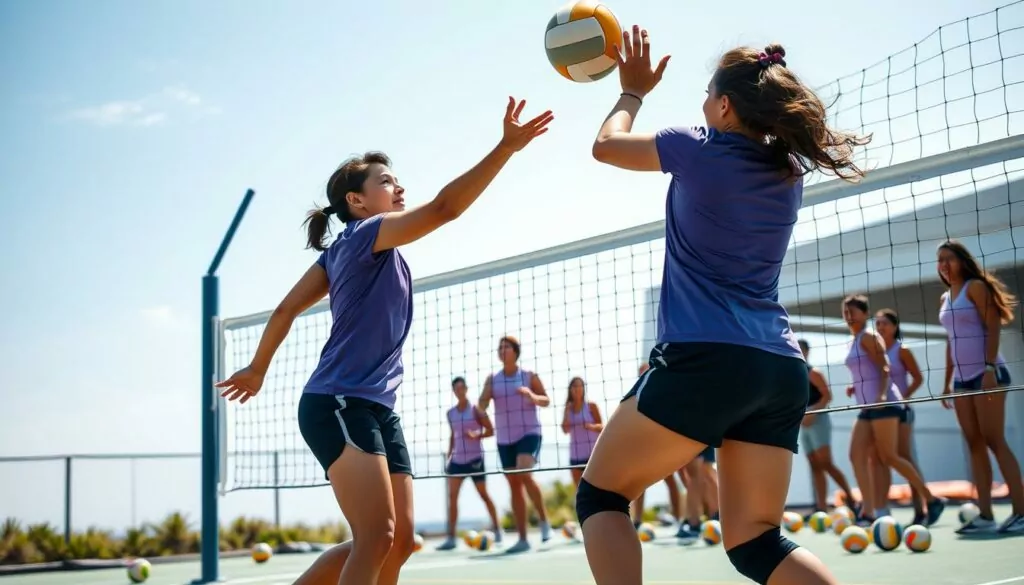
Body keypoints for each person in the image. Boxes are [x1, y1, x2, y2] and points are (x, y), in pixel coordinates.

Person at [215, 97, 553, 585]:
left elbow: (288, 308)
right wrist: (505, 147)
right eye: (386, 182)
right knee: (376, 537)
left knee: (399, 540)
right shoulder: (364, 235)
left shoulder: (347, 251)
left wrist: (259, 367)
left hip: (376, 407)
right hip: (339, 401)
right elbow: (445, 208)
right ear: (357, 201)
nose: (398, 187)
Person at [576, 26, 871, 585]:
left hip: (707, 358)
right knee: (756, 542)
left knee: (601, 496)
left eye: (708, 95)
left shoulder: (695, 147)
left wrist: (632, 92)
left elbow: (605, 145)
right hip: (780, 368)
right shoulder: (787, 173)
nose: (702, 104)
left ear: (727, 105)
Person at [937, 239, 1024, 534]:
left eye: (949, 258)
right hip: (962, 380)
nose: (944, 265)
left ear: (962, 260)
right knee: (974, 444)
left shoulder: (975, 287)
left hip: (988, 373)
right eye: (940, 261)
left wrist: (988, 367)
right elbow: (952, 342)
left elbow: (994, 325)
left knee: (994, 441)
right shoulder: (945, 297)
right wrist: (948, 381)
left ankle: (1021, 511)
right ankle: (986, 514)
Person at [841, 294, 945, 527]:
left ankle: (931, 499)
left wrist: (880, 395)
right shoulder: (853, 340)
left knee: (890, 456)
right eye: (845, 312)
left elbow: (885, 368)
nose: (848, 316)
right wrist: (854, 386)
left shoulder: (868, 337)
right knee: (856, 455)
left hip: (886, 404)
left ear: (864, 314)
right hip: (866, 407)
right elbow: (864, 370)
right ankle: (868, 511)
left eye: (852, 312)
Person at [478, 335, 552, 553]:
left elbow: (546, 400)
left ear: (515, 351)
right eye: (499, 347)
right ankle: (522, 538)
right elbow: (481, 405)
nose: (502, 350)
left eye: (506, 347)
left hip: (529, 433)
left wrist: (532, 396)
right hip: (504, 439)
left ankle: (544, 521)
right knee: (514, 484)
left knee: (524, 473)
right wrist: (482, 404)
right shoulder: (492, 379)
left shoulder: (528, 376)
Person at [873, 309, 927, 525]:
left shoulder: (901, 350)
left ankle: (922, 508)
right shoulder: (875, 350)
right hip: (880, 413)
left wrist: (901, 397)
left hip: (901, 411)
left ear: (895, 326)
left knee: (905, 457)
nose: (880, 327)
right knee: (882, 459)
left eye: (884, 323)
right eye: (877, 324)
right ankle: (882, 512)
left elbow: (918, 377)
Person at [437, 376, 502, 550]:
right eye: (456, 389)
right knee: (452, 497)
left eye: (461, 388)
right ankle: (451, 538)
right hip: (457, 461)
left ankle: (498, 531)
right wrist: (450, 455)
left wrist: (477, 435)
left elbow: (491, 430)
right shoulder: (450, 413)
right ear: (454, 392)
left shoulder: (476, 410)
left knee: (483, 495)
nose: (459, 391)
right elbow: (453, 436)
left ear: (466, 389)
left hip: (475, 460)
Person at [796, 339, 857, 519]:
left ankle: (852, 500)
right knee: (814, 464)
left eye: (800, 349)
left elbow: (827, 396)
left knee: (826, 463)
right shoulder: (792, 373)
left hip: (818, 418)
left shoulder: (813, 372)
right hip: (802, 422)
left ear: (806, 352)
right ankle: (821, 508)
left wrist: (812, 413)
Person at [561, 376, 603, 487]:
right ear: (570, 389)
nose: (577, 388)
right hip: (575, 455)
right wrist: (566, 412)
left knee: (595, 487)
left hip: (592, 453)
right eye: (574, 386)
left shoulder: (591, 406)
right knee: (579, 489)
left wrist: (590, 427)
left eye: (580, 386)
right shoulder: (568, 409)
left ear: (583, 389)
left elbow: (602, 427)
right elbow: (565, 430)